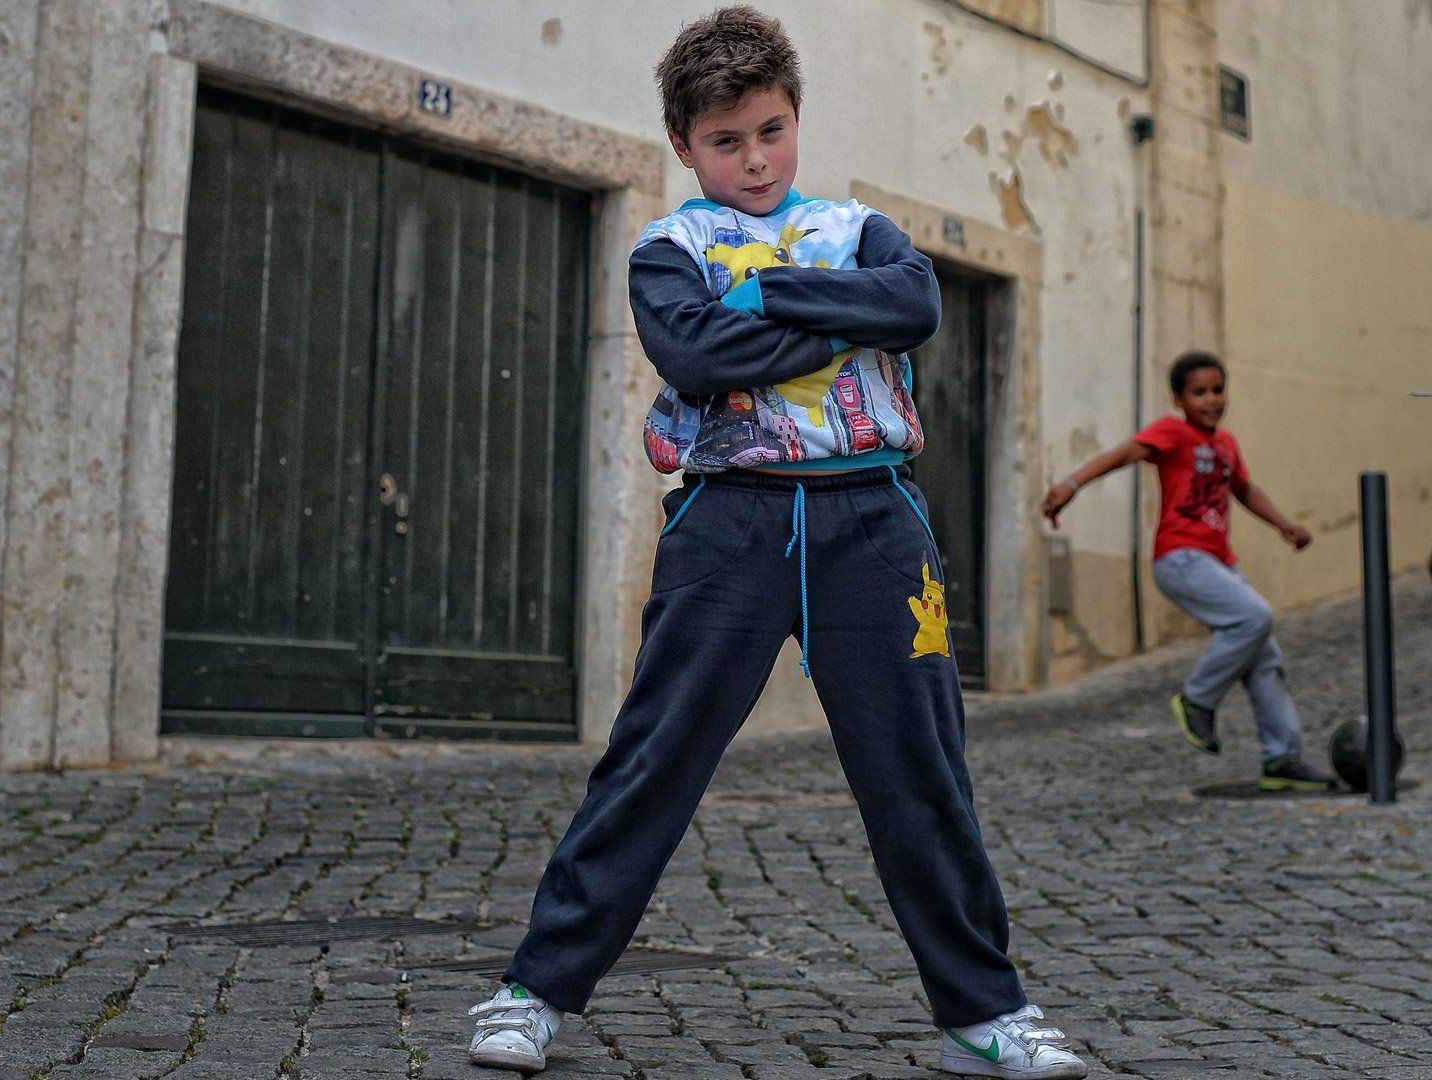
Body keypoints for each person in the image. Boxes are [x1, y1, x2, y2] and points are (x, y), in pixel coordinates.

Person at [465, 8, 1088, 1078]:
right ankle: (534, 992)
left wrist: (771, 294)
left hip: (876, 521)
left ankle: (984, 1015)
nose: (754, 160)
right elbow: (696, 351)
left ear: (796, 118)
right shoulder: (669, 250)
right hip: (731, 525)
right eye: (725, 141)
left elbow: (916, 302)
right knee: (654, 758)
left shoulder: (859, 228)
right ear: (682, 145)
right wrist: (849, 320)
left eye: (771, 130)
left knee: (921, 769)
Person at [1042, 350, 1335, 792]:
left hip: (1218, 562)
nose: (1211, 400)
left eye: (1218, 390)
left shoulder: (1227, 445)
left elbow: (1245, 490)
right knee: (1254, 617)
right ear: (1179, 399)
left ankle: (1282, 759)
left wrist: (1284, 525)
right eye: (1200, 392)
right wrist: (1071, 484)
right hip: (1180, 558)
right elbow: (1123, 454)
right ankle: (1198, 699)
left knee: (1264, 654)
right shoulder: (1173, 432)